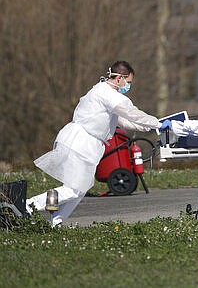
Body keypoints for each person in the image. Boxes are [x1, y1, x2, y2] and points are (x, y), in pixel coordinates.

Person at [26, 61, 171, 227]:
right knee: (73, 189)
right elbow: (132, 113)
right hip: (79, 142)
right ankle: (27, 207)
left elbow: (126, 121)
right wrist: (157, 124)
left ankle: (55, 223)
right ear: (120, 78)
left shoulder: (104, 92)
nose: (128, 86)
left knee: (79, 189)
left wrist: (154, 124)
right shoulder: (107, 93)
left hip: (83, 143)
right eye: (128, 82)